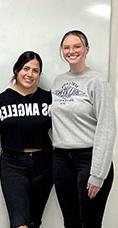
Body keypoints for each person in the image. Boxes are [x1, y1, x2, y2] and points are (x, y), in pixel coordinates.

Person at [50, 30, 116, 228]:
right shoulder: (58, 81)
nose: (72, 51)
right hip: (61, 160)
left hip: (88, 160)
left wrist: (97, 174)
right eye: (67, 47)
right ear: (62, 51)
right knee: (70, 222)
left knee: (90, 223)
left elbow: (107, 127)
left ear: (86, 49)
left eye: (77, 46)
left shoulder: (97, 81)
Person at [0, 51, 53, 228]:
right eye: (26, 68)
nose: (30, 74)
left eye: (35, 70)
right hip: (13, 165)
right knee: (19, 222)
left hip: (44, 164)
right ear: (16, 70)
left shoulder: (48, 98)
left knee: (35, 221)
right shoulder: (1, 101)